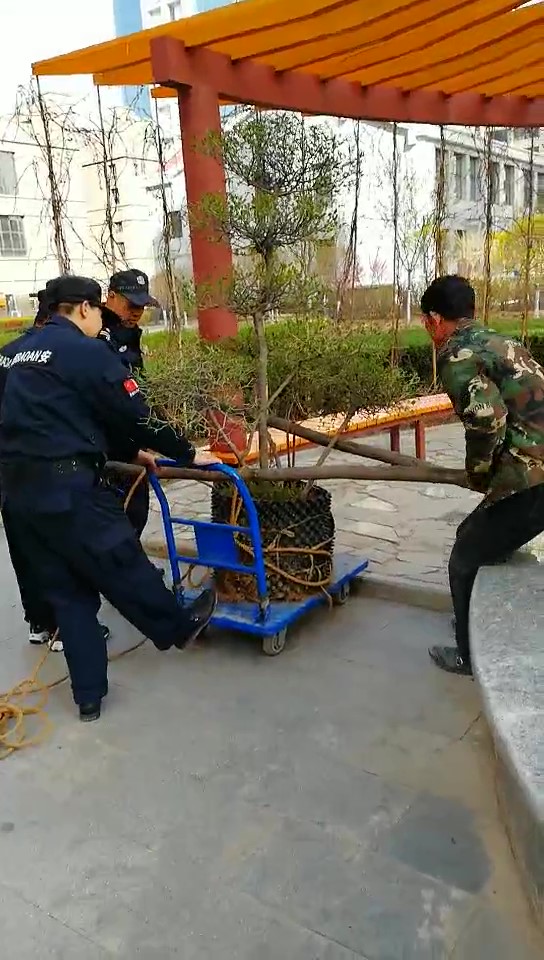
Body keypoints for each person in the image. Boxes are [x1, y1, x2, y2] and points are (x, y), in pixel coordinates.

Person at [0, 274, 216, 722]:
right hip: (69, 487)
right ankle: (178, 627)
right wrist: (188, 453)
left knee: (69, 593)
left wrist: (130, 454)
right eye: (98, 310)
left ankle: (89, 697)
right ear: (84, 308)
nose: (101, 319)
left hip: (20, 495)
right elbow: (134, 415)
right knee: (121, 559)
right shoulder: (85, 351)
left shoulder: (14, 354)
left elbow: (66, 415)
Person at [421, 275, 544, 675]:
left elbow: (487, 420)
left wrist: (478, 472)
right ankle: (478, 625)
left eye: (427, 321)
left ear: (434, 320)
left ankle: (470, 655)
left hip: (533, 478)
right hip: (534, 470)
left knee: (465, 555)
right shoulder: (499, 342)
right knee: (485, 540)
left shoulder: (457, 355)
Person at [100, 269, 158, 537]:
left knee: (136, 513)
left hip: (132, 445)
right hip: (106, 449)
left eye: (141, 306)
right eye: (131, 305)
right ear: (111, 296)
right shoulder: (98, 337)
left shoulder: (130, 335)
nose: (136, 312)